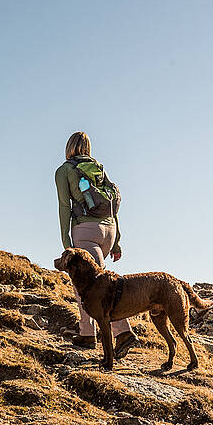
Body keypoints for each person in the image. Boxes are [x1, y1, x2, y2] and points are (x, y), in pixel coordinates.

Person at [55, 131, 139, 357]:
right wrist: (117, 241)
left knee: (90, 286)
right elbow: (111, 207)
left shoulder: (65, 170)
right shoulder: (98, 168)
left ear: (69, 147)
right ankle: (88, 334)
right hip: (108, 232)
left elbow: (64, 206)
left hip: (86, 231)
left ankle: (120, 333)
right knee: (93, 284)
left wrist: (66, 241)